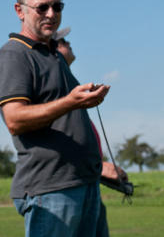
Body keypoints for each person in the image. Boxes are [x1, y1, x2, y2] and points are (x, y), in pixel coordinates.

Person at [0, 0, 111, 237]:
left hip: (84, 183)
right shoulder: (14, 55)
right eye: (42, 7)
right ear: (19, 11)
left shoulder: (53, 56)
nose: (51, 13)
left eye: (57, 7)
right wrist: (70, 101)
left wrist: (101, 167)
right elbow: (15, 119)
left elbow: (69, 124)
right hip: (51, 190)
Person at [54, 27, 128, 237]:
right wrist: (99, 167)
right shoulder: (55, 83)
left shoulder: (67, 80)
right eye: (62, 41)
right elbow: (57, 133)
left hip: (85, 182)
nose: (68, 44)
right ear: (53, 48)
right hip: (68, 190)